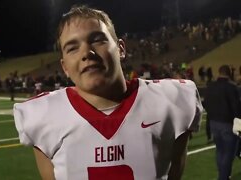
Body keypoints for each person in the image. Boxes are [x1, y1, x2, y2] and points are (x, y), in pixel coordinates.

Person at [13, 5, 202, 180]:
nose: (86, 52)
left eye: (97, 40)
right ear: (65, 68)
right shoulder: (42, 115)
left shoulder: (171, 100)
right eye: (72, 48)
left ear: (121, 48)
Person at [203, 65, 241, 180]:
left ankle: (224, 175)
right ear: (229, 73)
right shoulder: (232, 87)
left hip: (214, 123)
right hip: (227, 124)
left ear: (219, 72)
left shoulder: (210, 86)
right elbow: (236, 108)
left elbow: (206, 104)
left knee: (220, 151)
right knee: (228, 154)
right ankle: (223, 177)